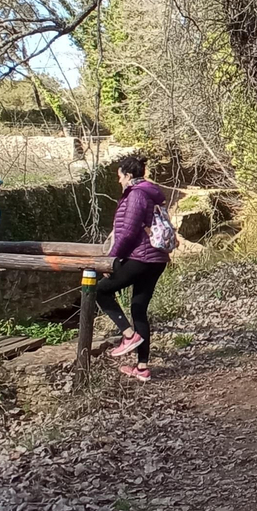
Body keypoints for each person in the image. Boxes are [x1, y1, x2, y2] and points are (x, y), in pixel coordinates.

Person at [97, 154, 169, 382]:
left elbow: (128, 231)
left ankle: (128, 335)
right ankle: (142, 367)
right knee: (138, 308)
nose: (118, 181)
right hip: (156, 258)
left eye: (119, 176)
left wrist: (111, 258)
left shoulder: (137, 194)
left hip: (141, 257)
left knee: (100, 290)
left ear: (128, 175)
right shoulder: (149, 193)